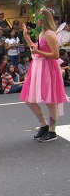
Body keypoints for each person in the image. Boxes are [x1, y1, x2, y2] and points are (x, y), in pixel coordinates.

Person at [20, 9, 69, 142]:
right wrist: (27, 37)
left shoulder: (49, 34)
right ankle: (44, 125)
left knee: (50, 101)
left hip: (48, 69)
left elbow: (56, 55)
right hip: (39, 68)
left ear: (44, 19)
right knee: (29, 99)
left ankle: (52, 130)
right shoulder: (42, 33)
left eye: (38, 18)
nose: (36, 21)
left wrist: (38, 52)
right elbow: (35, 50)